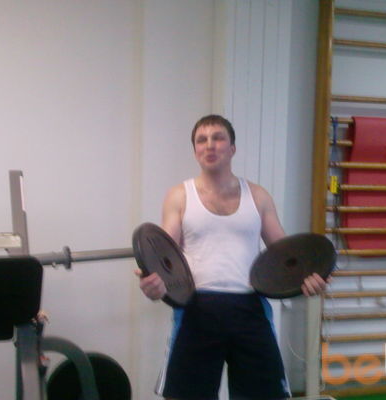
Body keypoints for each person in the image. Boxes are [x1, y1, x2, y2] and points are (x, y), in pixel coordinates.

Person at [135, 114, 328, 400]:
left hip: (250, 307)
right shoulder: (179, 196)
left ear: (232, 148)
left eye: (218, 138)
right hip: (196, 308)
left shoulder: (258, 196)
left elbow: (285, 256)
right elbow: (164, 256)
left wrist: (311, 277)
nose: (209, 145)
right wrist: (154, 285)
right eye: (202, 140)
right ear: (195, 150)